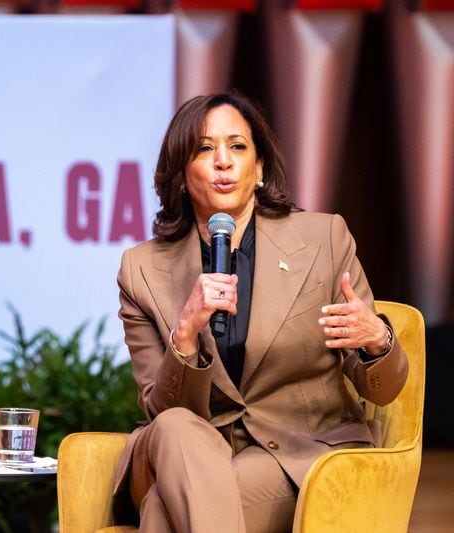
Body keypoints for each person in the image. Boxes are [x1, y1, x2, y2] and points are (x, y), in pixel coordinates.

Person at [111, 91, 409, 533]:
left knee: (162, 510)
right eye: (204, 149)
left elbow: (382, 391)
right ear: (179, 173)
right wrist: (187, 334)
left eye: (237, 146)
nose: (223, 162)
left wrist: (376, 341)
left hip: (295, 450)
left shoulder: (324, 239)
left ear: (261, 167)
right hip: (183, 449)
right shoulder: (142, 269)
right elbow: (161, 407)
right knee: (175, 426)